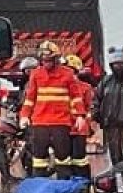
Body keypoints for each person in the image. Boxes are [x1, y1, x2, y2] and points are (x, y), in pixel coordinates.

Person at [18, 42, 81, 180]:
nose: (46, 63)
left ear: (56, 59)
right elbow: (30, 99)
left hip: (61, 122)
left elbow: (76, 97)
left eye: (49, 60)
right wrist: (24, 116)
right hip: (40, 122)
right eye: (44, 60)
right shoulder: (35, 74)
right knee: (39, 158)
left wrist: (80, 117)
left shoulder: (68, 74)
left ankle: (63, 185)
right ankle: (39, 186)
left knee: (63, 157)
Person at [63, 54, 95, 180]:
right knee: (64, 159)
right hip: (63, 127)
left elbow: (89, 108)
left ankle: (83, 183)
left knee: (79, 158)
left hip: (78, 129)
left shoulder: (85, 87)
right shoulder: (60, 87)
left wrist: (88, 125)